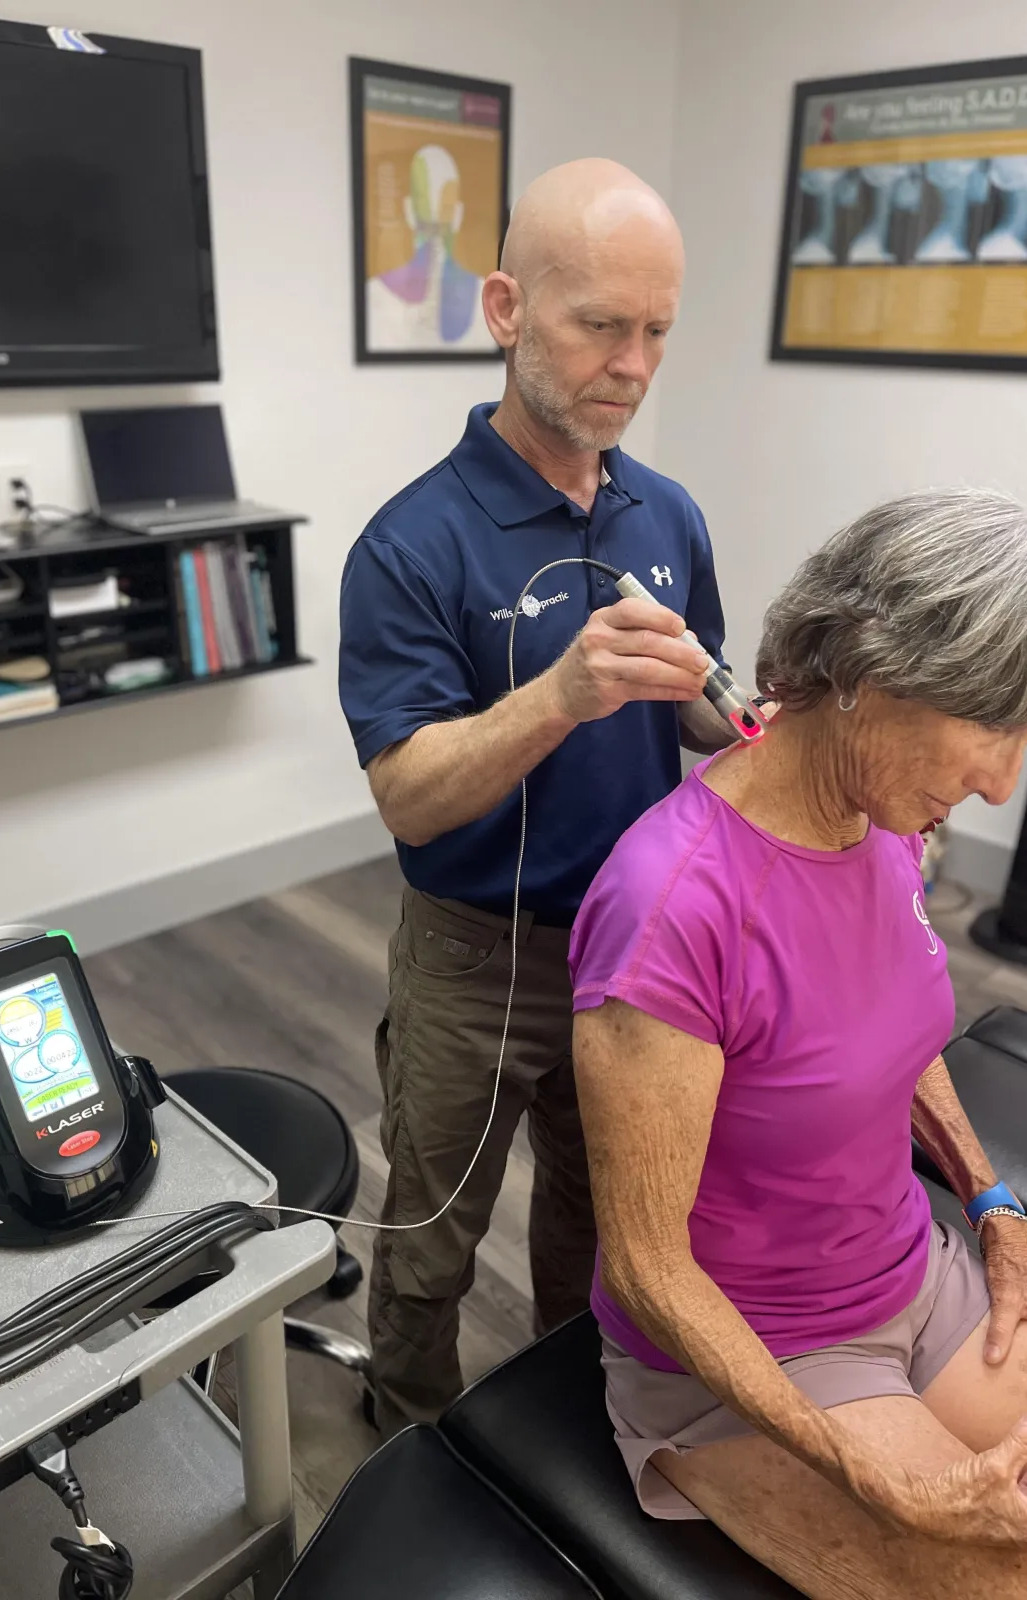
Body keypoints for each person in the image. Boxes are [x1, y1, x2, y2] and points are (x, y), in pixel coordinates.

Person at [570, 488, 1027, 1600]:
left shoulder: (879, 820)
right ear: (868, 677)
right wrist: (872, 1477)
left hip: (908, 1272)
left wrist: (994, 1211)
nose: (998, 784)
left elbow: (886, 1027)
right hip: (748, 1354)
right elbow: (649, 1272)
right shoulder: (672, 906)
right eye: (991, 732)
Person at [339, 157, 749, 1435]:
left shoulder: (664, 510)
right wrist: (560, 695)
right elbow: (410, 797)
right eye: (600, 326)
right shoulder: (409, 545)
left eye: (659, 332)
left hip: (635, 955)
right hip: (472, 963)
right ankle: (405, 1442)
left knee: (604, 1219)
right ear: (508, 309)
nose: (632, 364)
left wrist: (745, 720)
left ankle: (570, 1435)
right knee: (428, 1239)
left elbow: (694, 694)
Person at [366, 143, 495, 353]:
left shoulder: (487, 303)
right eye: (427, 200)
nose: (435, 224)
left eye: (443, 204)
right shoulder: (375, 296)